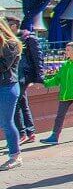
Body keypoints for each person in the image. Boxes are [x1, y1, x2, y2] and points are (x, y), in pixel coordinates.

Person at [40, 41, 73, 144]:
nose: (66, 52)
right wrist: (45, 83)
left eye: (68, 50)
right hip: (65, 95)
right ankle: (54, 136)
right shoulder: (66, 64)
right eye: (66, 50)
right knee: (60, 116)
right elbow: (58, 78)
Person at [0, 19, 24, 170]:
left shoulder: (11, 45)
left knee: (7, 123)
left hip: (7, 88)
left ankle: (15, 156)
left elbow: (3, 67)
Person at [16, 26, 44, 144]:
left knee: (15, 105)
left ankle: (21, 134)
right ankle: (30, 133)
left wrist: (39, 78)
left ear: (14, 26)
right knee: (22, 103)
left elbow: (38, 58)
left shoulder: (28, 38)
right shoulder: (15, 38)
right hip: (19, 76)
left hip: (23, 76)